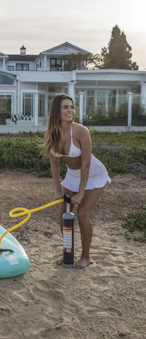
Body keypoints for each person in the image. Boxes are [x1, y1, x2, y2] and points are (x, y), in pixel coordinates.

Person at [44, 93, 111, 268]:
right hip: (72, 175)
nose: (70, 110)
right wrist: (58, 190)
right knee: (62, 213)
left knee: (82, 214)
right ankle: (68, 252)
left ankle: (86, 256)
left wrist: (81, 192)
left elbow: (86, 164)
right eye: (65, 107)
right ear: (56, 111)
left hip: (93, 174)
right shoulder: (50, 133)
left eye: (72, 107)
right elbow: (54, 163)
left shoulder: (81, 131)